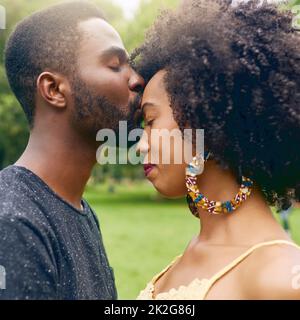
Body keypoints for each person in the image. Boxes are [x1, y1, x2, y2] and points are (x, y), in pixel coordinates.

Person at [134, 0, 300, 299]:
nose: (140, 145)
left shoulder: (280, 279)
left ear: (206, 122)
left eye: (150, 121)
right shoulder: (191, 252)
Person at [0, 1, 143, 300]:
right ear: (53, 90)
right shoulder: (14, 222)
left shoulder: (79, 211)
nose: (136, 80)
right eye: (115, 65)